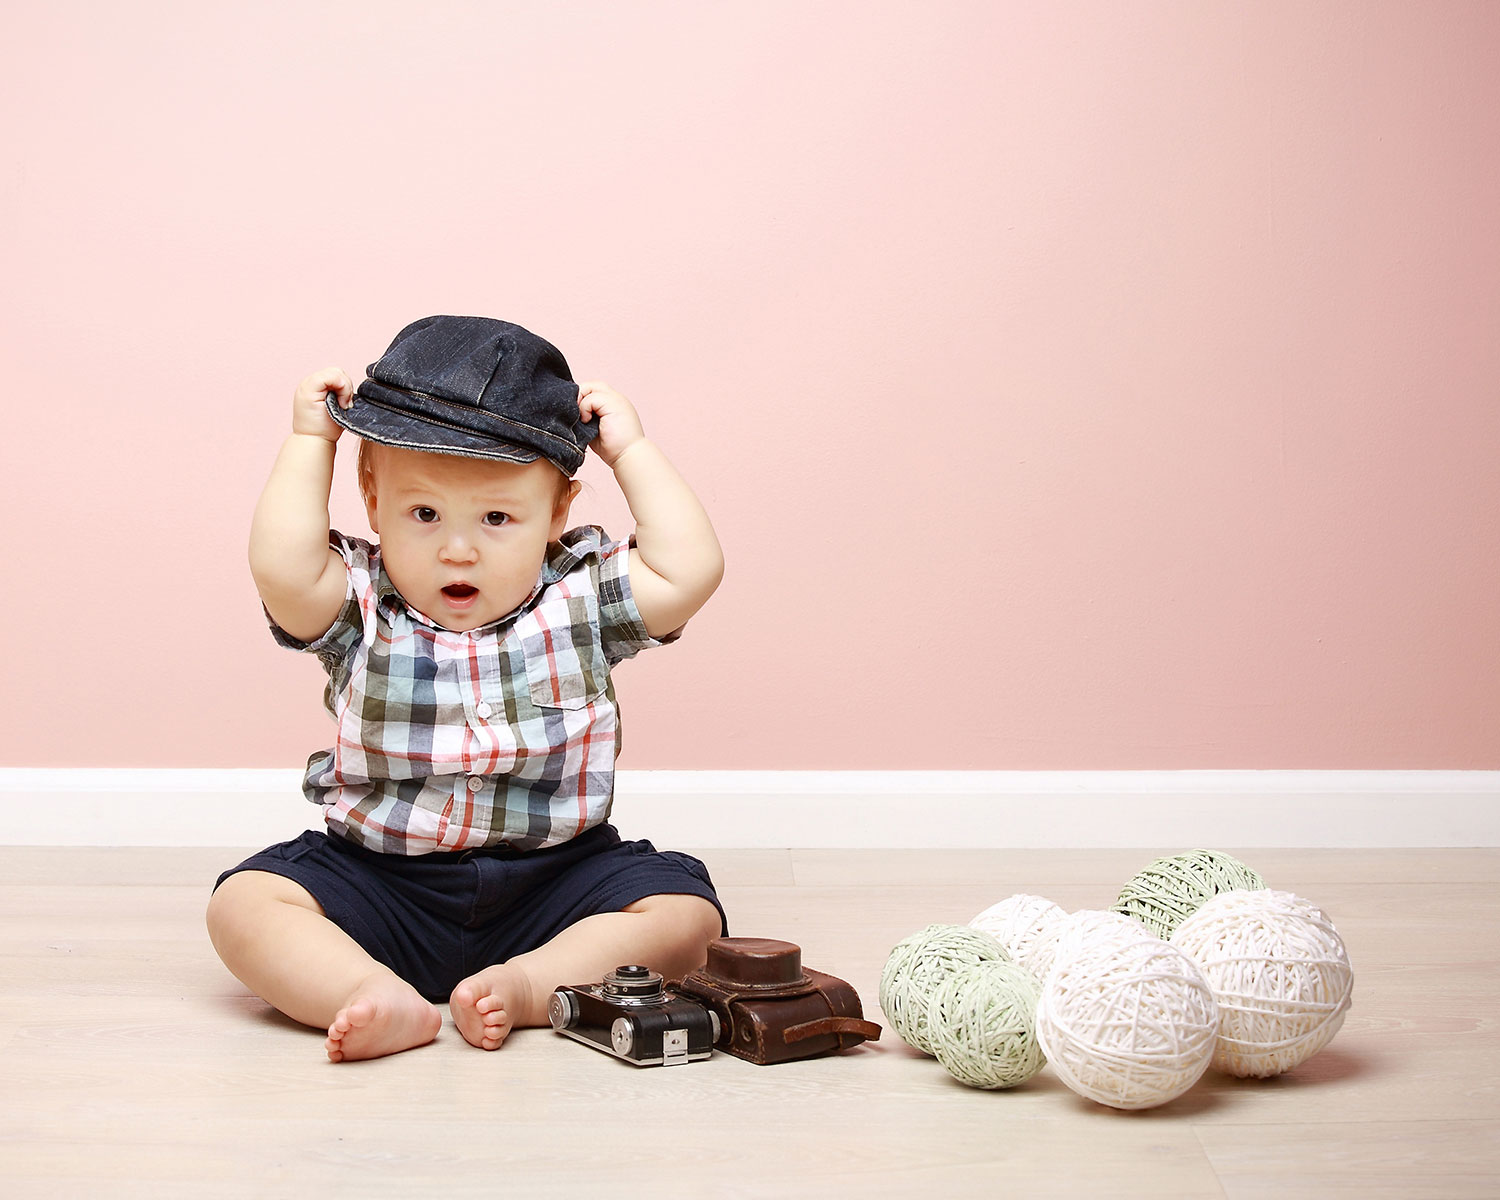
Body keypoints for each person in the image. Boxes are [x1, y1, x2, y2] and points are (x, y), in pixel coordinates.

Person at [206, 316, 727, 1062]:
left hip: (555, 880)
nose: (458, 547)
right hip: (381, 881)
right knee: (245, 904)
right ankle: (363, 989)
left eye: (497, 517)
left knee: (686, 915)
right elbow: (284, 569)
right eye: (423, 514)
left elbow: (688, 570)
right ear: (372, 498)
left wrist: (633, 454)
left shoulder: (578, 600)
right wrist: (308, 445)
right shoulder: (360, 603)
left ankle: (531, 984)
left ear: (556, 513)